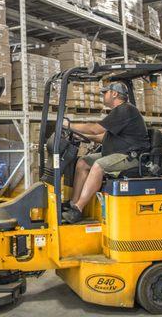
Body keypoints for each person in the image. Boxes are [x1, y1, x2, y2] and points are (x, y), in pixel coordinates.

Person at [62, 82, 150, 224]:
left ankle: (78, 209)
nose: (103, 95)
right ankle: (73, 203)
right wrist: (81, 137)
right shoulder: (118, 113)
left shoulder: (125, 110)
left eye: (105, 92)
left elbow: (95, 129)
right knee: (83, 162)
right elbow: (103, 137)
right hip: (117, 153)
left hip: (130, 157)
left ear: (114, 94)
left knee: (98, 166)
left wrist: (68, 125)